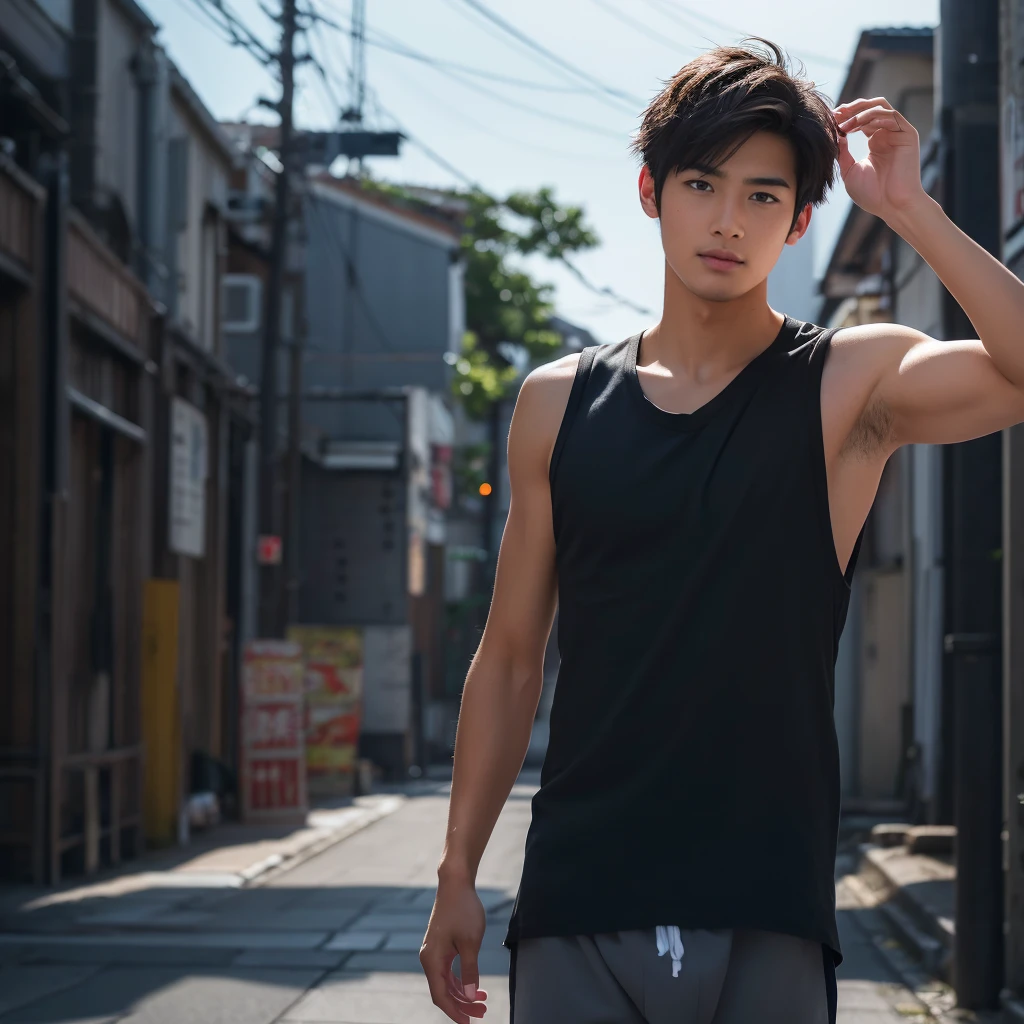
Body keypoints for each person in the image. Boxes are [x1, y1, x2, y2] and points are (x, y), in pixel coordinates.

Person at [419, 37, 1024, 1024]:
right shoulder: (556, 402)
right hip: (581, 892)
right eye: (702, 183)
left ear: (797, 221)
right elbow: (511, 661)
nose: (728, 220)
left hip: (766, 898)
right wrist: (456, 871)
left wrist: (910, 208)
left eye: (762, 195)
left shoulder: (846, 383)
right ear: (653, 192)